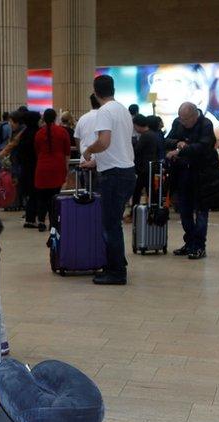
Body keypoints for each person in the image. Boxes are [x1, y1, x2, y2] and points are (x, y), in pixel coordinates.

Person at [81, 75, 136, 285]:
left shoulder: (104, 111)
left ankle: (116, 272)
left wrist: (88, 150)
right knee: (115, 224)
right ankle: (117, 263)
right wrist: (96, 162)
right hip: (126, 171)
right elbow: (118, 146)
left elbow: (104, 142)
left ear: (95, 92)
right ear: (113, 89)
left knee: (110, 225)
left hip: (113, 176)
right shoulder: (122, 109)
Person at [165, 102, 216, 259]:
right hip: (182, 173)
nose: (183, 122)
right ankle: (190, 242)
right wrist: (177, 144)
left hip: (202, 174)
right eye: (181, 119)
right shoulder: (177, 123)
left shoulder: (206, 124)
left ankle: (199, 245)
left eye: (186, 119)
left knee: (201, 211)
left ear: (195, 115)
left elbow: (204, 146)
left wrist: (182, 149)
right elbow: (167, 140)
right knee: (184, 210)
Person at [30, 108, 70, 231]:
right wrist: (66, 169)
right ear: (55, 118)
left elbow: (37, 151)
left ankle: (41, 221)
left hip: (42, 168)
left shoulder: (39, 133)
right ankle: (54, 223)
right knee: (55, 196)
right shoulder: (62, 132)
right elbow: (67, 152)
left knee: (42, 197)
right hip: (57, 167)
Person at [132, 113, 159, 207]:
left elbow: (137, 151)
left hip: (144, 169)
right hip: (150, 167)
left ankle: (135, 212)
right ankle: (151, 211)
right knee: (150, 191)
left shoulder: (145, 136)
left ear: (138, 125)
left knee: (137, 191)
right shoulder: (152, 134)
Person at [73, 94, 101, 160]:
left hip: (85, 158)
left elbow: (77, 138)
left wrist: (82, 152)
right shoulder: (104, 117)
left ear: (91, 103)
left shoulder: (82, 118)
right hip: (102, 160)